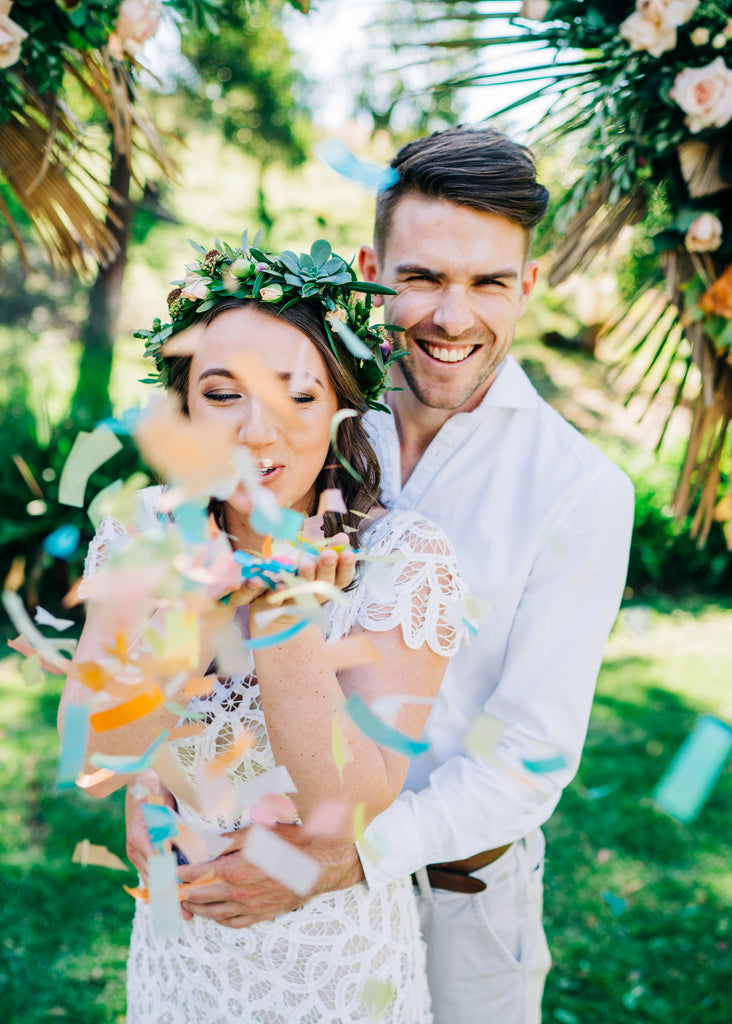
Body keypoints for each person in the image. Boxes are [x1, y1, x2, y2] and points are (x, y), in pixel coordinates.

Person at [126, 126, 635, 1024]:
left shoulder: (579, 490)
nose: (452, 315)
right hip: (250, 872)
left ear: (530, 287)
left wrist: (337, 859)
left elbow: (530, 756)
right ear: (370, 268)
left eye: (488, 282)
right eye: (422, 277)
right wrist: (151, 784)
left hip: (461, 896)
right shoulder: (301, 423)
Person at [58, 237, 475, 1022]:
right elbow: (95, 761)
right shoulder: (142, 535)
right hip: (179, 958)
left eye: (299, 396)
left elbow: (344, 807)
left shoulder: (404, 560)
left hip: (331, 971)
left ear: (342, 407)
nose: (257, 431)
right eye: (224, 394)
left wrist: (284, 615)